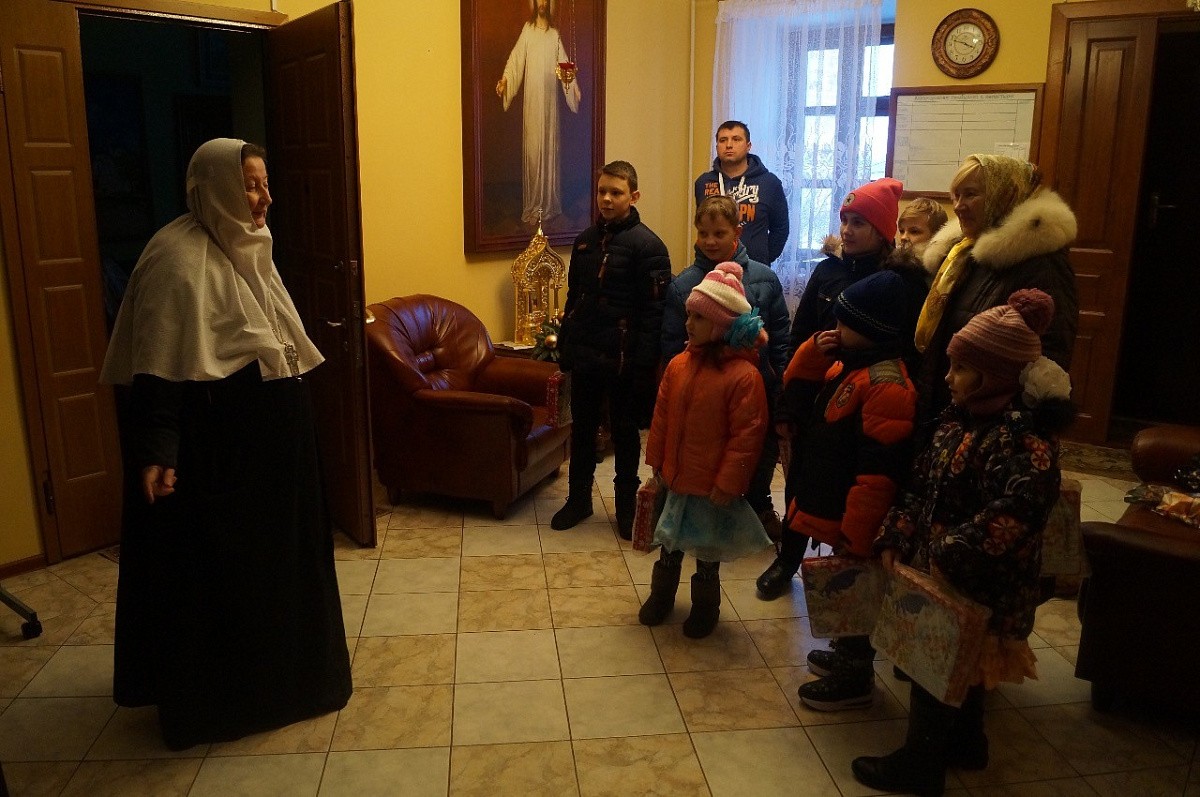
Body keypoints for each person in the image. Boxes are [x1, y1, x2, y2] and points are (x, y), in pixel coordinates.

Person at [101, 138, 352, 749]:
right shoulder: (175, 258)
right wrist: (159, 449)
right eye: (250, 185)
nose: (264, 198)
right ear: (213, 188)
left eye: (265, 184)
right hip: (220, 463)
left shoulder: (250, 248)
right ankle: (227, 706)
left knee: (282, 574)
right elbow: (157, 366)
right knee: (225, 585)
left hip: (274, 459)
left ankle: (295, 685)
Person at [852, 289, 1074, 796]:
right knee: (963, 664)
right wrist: (899, 531)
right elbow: (919, 485)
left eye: (961, 368)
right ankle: (968, 742)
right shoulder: (958, 420)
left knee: (937, 665)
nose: (949, 378)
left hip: (982, 582)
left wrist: (946, 554)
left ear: (996, 375)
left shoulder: (1024, 440)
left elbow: (1013, 516)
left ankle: (921, 764)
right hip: (943, 572)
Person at [757, 273, 918, 712]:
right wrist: (811, 352)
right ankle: (847, 652)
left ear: (870, 329)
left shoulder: (886, 385)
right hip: (832, 499)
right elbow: (798, 382)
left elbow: (878, 474)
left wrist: (859, 532)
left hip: (856, 518)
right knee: (847, 588)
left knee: (859, 590)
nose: (835, 328)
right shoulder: (847, 366)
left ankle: (855, 675)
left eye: (844, 323)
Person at [637, 262, 773, 638]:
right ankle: (661, 597)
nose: (689, 324)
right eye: (689, 315)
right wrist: (657, 461)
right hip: (677, 480)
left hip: (711, 489)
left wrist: (729, 483)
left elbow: (746, 438)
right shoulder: (678, 365)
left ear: (721, 325)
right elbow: (661, 417)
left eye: (699, 317)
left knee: (707, 556)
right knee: (669, 547)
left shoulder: (743, 377)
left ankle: (705, 607)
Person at [914, 154, 1078, 436]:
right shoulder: (963, 253)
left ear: (1005, 195)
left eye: (971, 195)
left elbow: (1049, 354)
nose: (958, 206)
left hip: (991, 424)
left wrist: (1011, 425)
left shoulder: (1041, 264)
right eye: (956, 195)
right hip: (953, 406)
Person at [552, 160, 672, 537]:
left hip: (625, 359)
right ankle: (578, 500)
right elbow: (574, 298)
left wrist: (644, 365)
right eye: (602, 191)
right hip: (587, 353)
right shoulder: (585, 241)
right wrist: (566, 345)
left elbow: (654, 313)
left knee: (624, 434)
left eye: (615, 192)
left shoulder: (649, 246)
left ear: (633, 196)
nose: (606, 198)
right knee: (583, 430)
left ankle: (625, 509)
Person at [662, 195, 790, 539]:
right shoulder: (684, 285)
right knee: (708, 454)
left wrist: (779, 378)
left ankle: (759, 508)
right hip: (704, 393)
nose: (710, 241)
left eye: (719, 233)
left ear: (737, 231)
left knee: (756, 453)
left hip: (756, 385)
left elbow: (779, 334)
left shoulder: (764, 278)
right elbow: (673, 343)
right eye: (703, 233)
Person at [788, 177, 904, 352]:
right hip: (819, 366)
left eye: (858, 223)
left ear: (881, 233)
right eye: (844, 220)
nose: (846, 231)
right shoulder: (827, 270)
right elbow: (800, 333)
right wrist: (810, 351)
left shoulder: (895, 280)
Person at [496, 0, 582, 225]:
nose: (542, 3)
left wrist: (574, 87)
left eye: (546, 0)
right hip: (533, 102)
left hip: (549, 105)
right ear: (533, 3)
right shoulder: (528, 30)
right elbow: (516, 60)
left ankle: (548, 204)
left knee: (548, 147)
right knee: (534, 149)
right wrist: (505, 80)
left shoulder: (554, 35)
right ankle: (534, 204)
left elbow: (564, 64)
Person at [694, 121, 789, 265]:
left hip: (753, 268)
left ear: (748, 146)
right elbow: (702, 225)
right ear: (717, 147)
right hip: (711, 267)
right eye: (723, 140)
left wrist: (763, 258)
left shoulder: (769, 183)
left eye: (736, 139)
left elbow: (780, 228)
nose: (729, 145)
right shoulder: (703, 182)